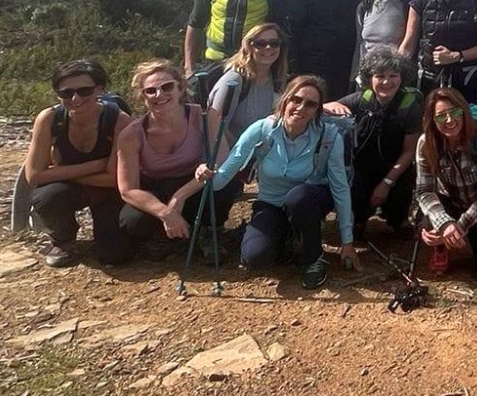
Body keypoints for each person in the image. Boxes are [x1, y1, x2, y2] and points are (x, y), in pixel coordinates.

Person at [201, 73, 357, 288]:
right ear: (285, 100)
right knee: (254, 258)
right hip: (271, 203)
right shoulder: (262, 129)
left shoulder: (329, 137)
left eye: (310, 104)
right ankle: (287, 237)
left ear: (317, 111)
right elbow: (223, 177)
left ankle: (314, 259)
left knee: (298, 197)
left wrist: (347, 241)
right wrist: (207, 175)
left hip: (311, 200)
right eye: (296, 99)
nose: (301, 108)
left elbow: (340, 188)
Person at [24, 60, 132, 268]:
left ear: (99, 90)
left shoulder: (118, 120)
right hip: (70, 189)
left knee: (115, 256)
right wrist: (98, 165)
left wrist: (59, 172)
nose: (75, 98)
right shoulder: (49, 119)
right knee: (47, 197)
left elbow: (114, 179)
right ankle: (63, 239)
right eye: (67, 93)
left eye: (85, 91)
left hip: (108, 192)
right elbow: (34, 176)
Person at [112, 59, 216, 258]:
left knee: (221, 188)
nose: (159, 95)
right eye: (150, 91)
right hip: (156, 188)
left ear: (180, 88)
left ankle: (207, 231)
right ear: (142, 97)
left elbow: (219, 163)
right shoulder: (131, 135)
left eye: (167, 87)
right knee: (131, 220)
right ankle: (164, 235)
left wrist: (179, 198)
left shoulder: (204, 116)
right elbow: (128, 189)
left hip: (195, 183)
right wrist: (165, 212)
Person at [413, 87, 477, 282]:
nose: (450, 121)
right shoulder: (426, 143)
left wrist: (458, 227)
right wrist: (444, 224)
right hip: (447, 203)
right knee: (427, 219)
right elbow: (425, 191)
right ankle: (440, 246)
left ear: (464, 112)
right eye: (441, 117)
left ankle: (459, 238)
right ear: (432, 120)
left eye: (455, 113)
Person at [335, 46, 420, 236]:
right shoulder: (361, 99)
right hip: (363, 168)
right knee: (353, 182)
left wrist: (387, 183)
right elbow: (323, 107)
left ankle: (399, 219)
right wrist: (334, 106)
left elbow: (409, 152)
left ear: (402, 77)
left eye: (393, 75)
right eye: (379, 75)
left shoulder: (410, 106)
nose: (386, 82)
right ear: (369, 78)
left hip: (395, 169)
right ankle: (358, 219)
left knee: (404, 184)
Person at [206, 22, 290, 176]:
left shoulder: (278, 80)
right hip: (227, 156)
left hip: (253, 156)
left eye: (274, 43)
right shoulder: (234, 80)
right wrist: (232, 165)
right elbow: (216, 125)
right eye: (260, 44)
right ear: (248, 46)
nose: (268, 48)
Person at [352, 0, 408, 83]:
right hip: (367, 78)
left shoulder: (407, 4)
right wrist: (354, 77)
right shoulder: (363, 7)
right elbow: (359, 46)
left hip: (394, 79)